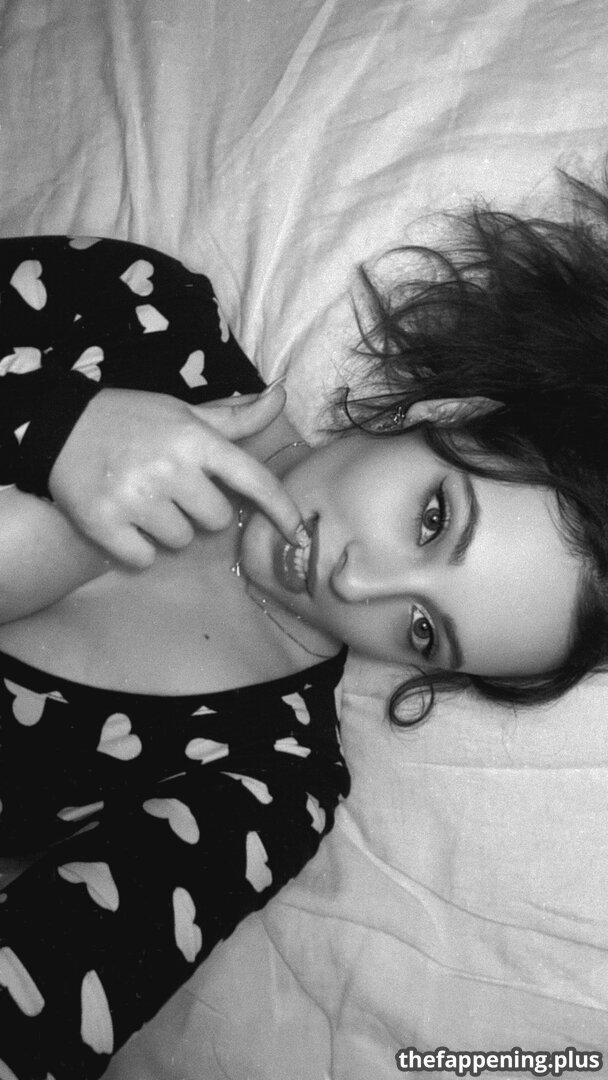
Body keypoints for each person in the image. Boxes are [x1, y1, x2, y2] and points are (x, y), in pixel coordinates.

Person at [1, 166, 608, 1076]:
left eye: (422, 630)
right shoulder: (141, 315)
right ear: (446, 414)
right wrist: (47, 427)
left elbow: (38, 1007)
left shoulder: (271, 783)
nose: (358, 584)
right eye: (432, 519)